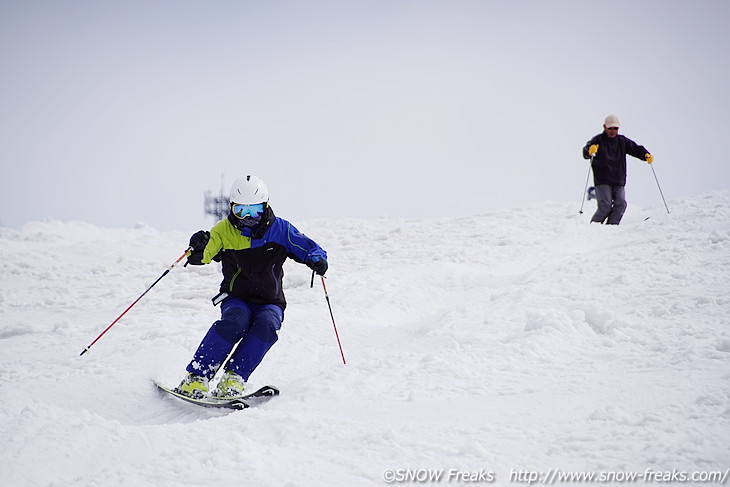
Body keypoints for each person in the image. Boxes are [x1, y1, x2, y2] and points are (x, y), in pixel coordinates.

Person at [176, 174, 328, 399]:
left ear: (265, 205)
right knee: (235, 321)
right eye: (241, 211)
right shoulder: (223, 230)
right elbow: (206, 253)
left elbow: (308, 247)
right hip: (236, 297)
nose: (248, 218)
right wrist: (198, 248)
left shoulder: (280, 229)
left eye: (254, 210)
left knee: (267, 324)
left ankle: (234, 378)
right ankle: (196, 377)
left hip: (270, 300)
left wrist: (316, 258)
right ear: (232, 208)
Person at [582, 115, 654, 225]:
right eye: (610, 128)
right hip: (603, 180)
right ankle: (593, 228)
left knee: (621, 204)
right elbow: (586, 152)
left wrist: (645, 154)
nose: (612, 131)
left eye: (615, 128)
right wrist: (589, 151)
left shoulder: (622, 141)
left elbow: (635, 148)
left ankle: (611, 227)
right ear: (604, 127)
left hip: (618, 180)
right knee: (605, 206)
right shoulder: (598, 140)